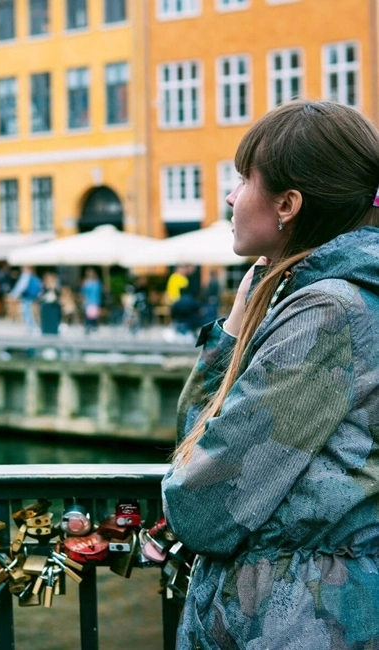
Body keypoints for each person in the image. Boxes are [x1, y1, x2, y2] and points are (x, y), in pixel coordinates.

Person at [161, 100, 379, 649]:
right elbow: (202, 436)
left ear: (287, 204)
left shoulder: (329, 313)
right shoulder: (338, 297)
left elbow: (203, 505)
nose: (232, 197)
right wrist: (239, 321)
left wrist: (236, 329)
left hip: (300, 623)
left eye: (242, 180)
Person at [9, 266, 41, 333]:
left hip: (27, 296)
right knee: (30, 311)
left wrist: (13, 295)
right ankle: (32, 326)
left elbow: (20, 287)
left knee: (26, 311)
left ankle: (30, 327)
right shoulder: (33, 277)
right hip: (33, 297)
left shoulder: (25, 276)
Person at [80, 268, 102, 334]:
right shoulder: (97, 283)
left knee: (90, 315)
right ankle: (93, 327)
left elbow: (83, 292)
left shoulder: (87, 283)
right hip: (94, 301)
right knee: (92, 315)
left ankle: (89, 327)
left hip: (90, 301)